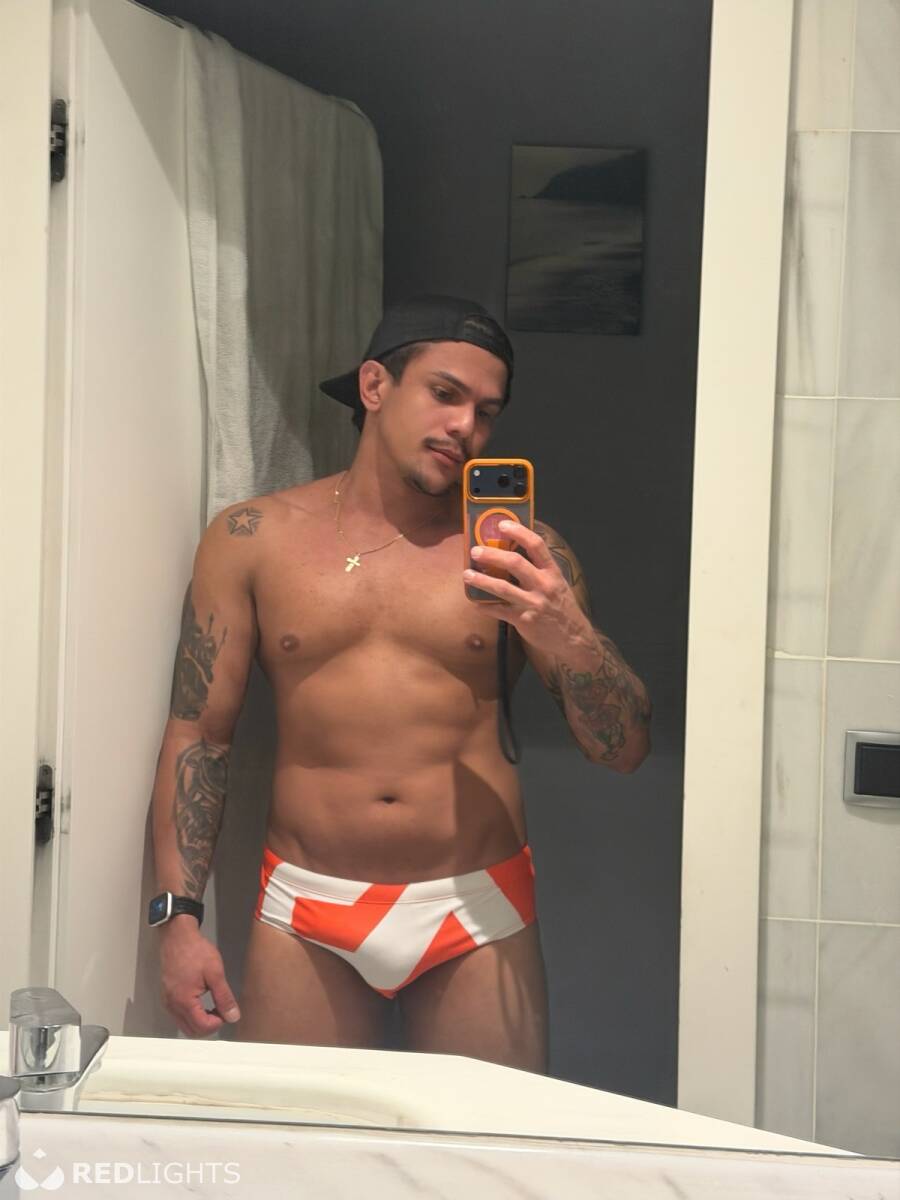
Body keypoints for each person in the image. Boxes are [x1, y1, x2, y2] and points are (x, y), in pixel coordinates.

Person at [149, 295, 650, 1073]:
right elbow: (200, 736)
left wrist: (566, 631)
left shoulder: (525, 556)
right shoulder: (252, 539)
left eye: (486, 412)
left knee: (485, 1143)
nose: (465, 427)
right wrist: (177, 920)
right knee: (300, 1141)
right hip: (308, 907)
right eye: (445, 393)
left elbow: (624, 750)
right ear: (375, 386)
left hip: (474, 908)